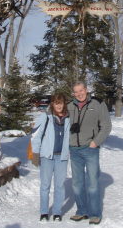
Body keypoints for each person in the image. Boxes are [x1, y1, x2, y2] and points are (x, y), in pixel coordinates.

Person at [67, 81, 112, 225]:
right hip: (74, 150)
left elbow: (106, 126)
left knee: (92, 183)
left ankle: (95, 214)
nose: (79, 94)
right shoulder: (69, 106)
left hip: (90, 148)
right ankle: (81, 211)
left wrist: (96, 142)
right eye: (76, 92)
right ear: (73, 93)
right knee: (77, 183)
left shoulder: (98, 104)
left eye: (81, 90)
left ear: (86, 90)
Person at [31, 92, 70, 222]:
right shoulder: (46, 117)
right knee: (45, 185)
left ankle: (57, 212)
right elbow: (36, 135)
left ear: (64, 104)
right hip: (47, 156)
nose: (59, 106)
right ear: (52, 103)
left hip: (62, 157)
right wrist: (36, 153)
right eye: (56, 103)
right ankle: (44, 211)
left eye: (61, 103)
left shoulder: (68, 118)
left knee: (60, 186)